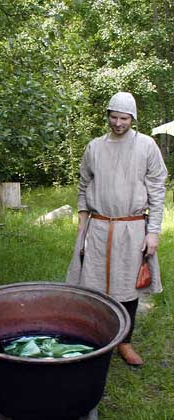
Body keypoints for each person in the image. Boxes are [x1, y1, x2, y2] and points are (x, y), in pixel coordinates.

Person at [66, 91, 167, 366]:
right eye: (114, 117)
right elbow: (84, 185)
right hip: (98, 227)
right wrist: (82, 220)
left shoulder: (146, 146)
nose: (119, 123)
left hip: (132, 227)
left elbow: (157, 190)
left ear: (132, 118)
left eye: (124, 118)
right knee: (94, 284)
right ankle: (96, 337)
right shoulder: (94, 147)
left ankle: (124, 341)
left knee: (127, 287)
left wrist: (153, 231)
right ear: (107, 116)